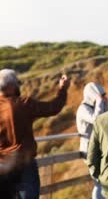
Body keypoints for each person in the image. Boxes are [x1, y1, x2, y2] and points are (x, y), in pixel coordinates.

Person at [0, 69, 70, 199]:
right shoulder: (23, 104)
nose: (18, 87)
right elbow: (54, 107)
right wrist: (63, 89)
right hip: (24, 165)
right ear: (10, 86)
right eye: (17, 83)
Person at [76, 82, 108, 199]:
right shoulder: (83, 109)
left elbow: (106, 119)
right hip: (89, 150)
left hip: (98, 149)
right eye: (99, 95)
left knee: (104, 181)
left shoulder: (94, 107)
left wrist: (105, 103)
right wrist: (100, 101)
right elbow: (97, 120)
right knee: (99, 182)